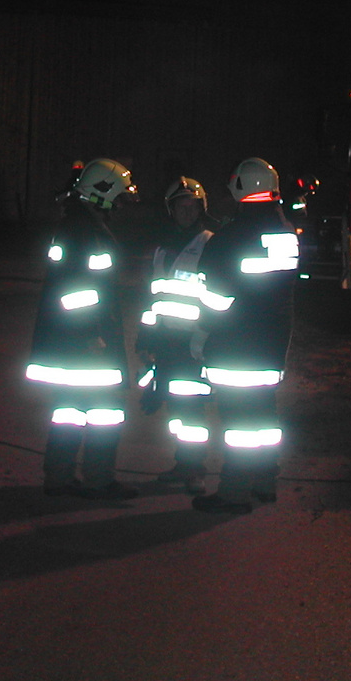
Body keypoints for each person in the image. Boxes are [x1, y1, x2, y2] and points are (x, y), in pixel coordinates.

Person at [25, 158, 140, 500]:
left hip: (69, 344)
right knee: (105, 413)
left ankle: (59, 478)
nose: (120, 204)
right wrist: (93, 335)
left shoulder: (78, 225)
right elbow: (77, 292)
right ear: (102, 192)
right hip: (87, 347)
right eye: (118, 196)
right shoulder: (84, 231)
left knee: (68, 412)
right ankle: (98, 481)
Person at [191, 158, 298, 515]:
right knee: (264, 418)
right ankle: (265, 481)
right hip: (272, 344)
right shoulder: (286, 234)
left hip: (235, 346)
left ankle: (234, 494)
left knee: (238, 424)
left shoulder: (229, 238)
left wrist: (201, 333)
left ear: (237, 187)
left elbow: (214, 299)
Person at [136, 177, 220, 494]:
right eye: (180, 206)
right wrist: (145, 340)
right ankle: (183, 464)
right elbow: (153, 297)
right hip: (166, 343)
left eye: (192, 205)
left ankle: (195, 468)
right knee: (175, 408)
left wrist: (204, 340)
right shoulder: (163, 249)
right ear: (170, 210)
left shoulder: (210, 244)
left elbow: (216, 298)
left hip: (194, 344)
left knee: (193, 409)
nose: (186, 211)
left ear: (201, 208)